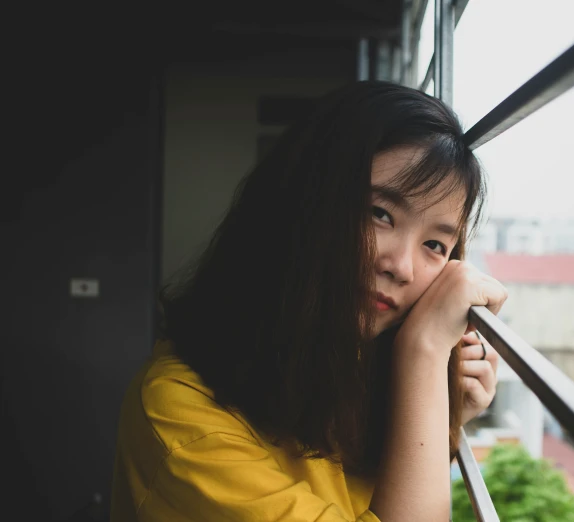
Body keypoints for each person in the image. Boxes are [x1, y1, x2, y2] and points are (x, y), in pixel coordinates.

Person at [110, 81, 508, 522]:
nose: (403, 267)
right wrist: (425, 352)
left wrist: (443, 410)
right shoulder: (180, 414)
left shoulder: (350, 369)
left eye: (435, 244)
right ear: (302, 202)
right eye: (379, 214)